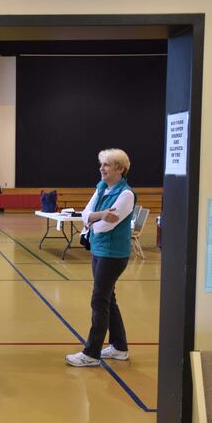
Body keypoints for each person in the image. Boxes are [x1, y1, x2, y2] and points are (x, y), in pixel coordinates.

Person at [65, 148, 136, 367]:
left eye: (106, 165)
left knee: (99, 300)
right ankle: (119, 347)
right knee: (108, 298)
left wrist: (95, 219)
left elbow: (103, 227)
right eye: (101, 164)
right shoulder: (102, 188)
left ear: (120, 169)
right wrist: (99, 215)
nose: (101, 169)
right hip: (98, 251)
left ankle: (92, 353)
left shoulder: (126, 195)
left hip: (113, 255)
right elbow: (84, 215)